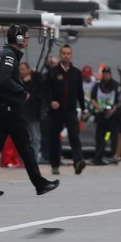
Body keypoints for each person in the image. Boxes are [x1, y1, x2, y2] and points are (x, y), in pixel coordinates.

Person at [0, 25, 60, 198]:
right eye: (26, 37)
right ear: (19, 38)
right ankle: (40, 184)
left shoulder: (2, 54)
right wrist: (21, 91)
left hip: (2, 107)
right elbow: (4, 79)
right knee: (25, 146)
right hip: (9, 108)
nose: (28, 40)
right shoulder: (9, 55)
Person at [44, 43, 88, 176]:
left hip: (71, 110)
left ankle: (78, 161)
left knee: (74, 136)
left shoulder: (76, 73)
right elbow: (46, 91)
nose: (66, 56)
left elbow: (80, 92)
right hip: (56, 112)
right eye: (64, 53)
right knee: (54, 139)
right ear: (60, 54)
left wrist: (84, 109)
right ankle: (55, 165)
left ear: (71, 55)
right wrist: (51, 101)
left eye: (68, 53)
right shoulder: (52, 72)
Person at [89, 66, 118, 164]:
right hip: (101, 117)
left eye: (108, 73)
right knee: (99, 138)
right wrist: (99, 107)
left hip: (112, 118)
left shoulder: (115, 85)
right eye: (104, 73)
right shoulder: (97, 86)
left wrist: (113, 110)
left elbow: (119, 101)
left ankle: (113, 156)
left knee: (111, 137)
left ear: (110, 74)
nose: (106, 75)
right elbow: (92, 99)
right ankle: (98, 157)